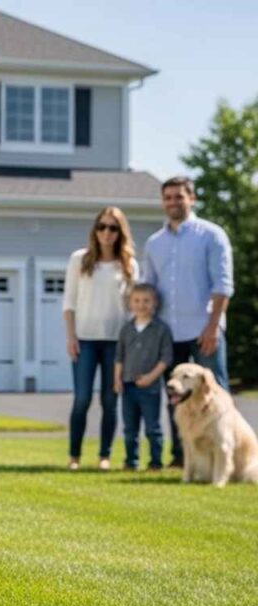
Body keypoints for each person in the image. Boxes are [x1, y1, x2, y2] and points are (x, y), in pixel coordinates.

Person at [141, 176, 234, 468]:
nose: (173, 202)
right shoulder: (154, 243)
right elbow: (148, 289)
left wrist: (212, 327)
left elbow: (223, 286)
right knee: (176, 397)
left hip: (203, 331)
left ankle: (224, 456)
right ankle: (182, 457)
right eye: (167, 197)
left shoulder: (211, 235)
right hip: (169, 333)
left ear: (191, 198)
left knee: (216, 394)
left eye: (178, 197)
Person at [62, 207, 139, 471]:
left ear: (121, 233)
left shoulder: (129, 265)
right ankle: (74, 456)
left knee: (110, 401)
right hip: (84, 341)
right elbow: (69, 303)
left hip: (116, 345)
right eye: (102, 227)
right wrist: (71, 337)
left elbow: (133, 310)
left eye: (113, 228)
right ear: (95, 230)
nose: (107, 233)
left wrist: (129, 348)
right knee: (82, 399)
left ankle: (104, 455)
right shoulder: (79, 260)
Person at [115, 284, 173, 471]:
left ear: (155, 303)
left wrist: (151, 377)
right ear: (130, 303)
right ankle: (131, 461)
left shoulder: (161, 329)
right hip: (128, 385)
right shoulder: (126, 329)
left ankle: (156, 462)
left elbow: (166, 358)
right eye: (137, 301)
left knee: (152, 427)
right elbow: (119, 357)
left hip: (151, 387)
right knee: (130, 428)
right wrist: (117, 379)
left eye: (146, 301)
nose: (141, 305)